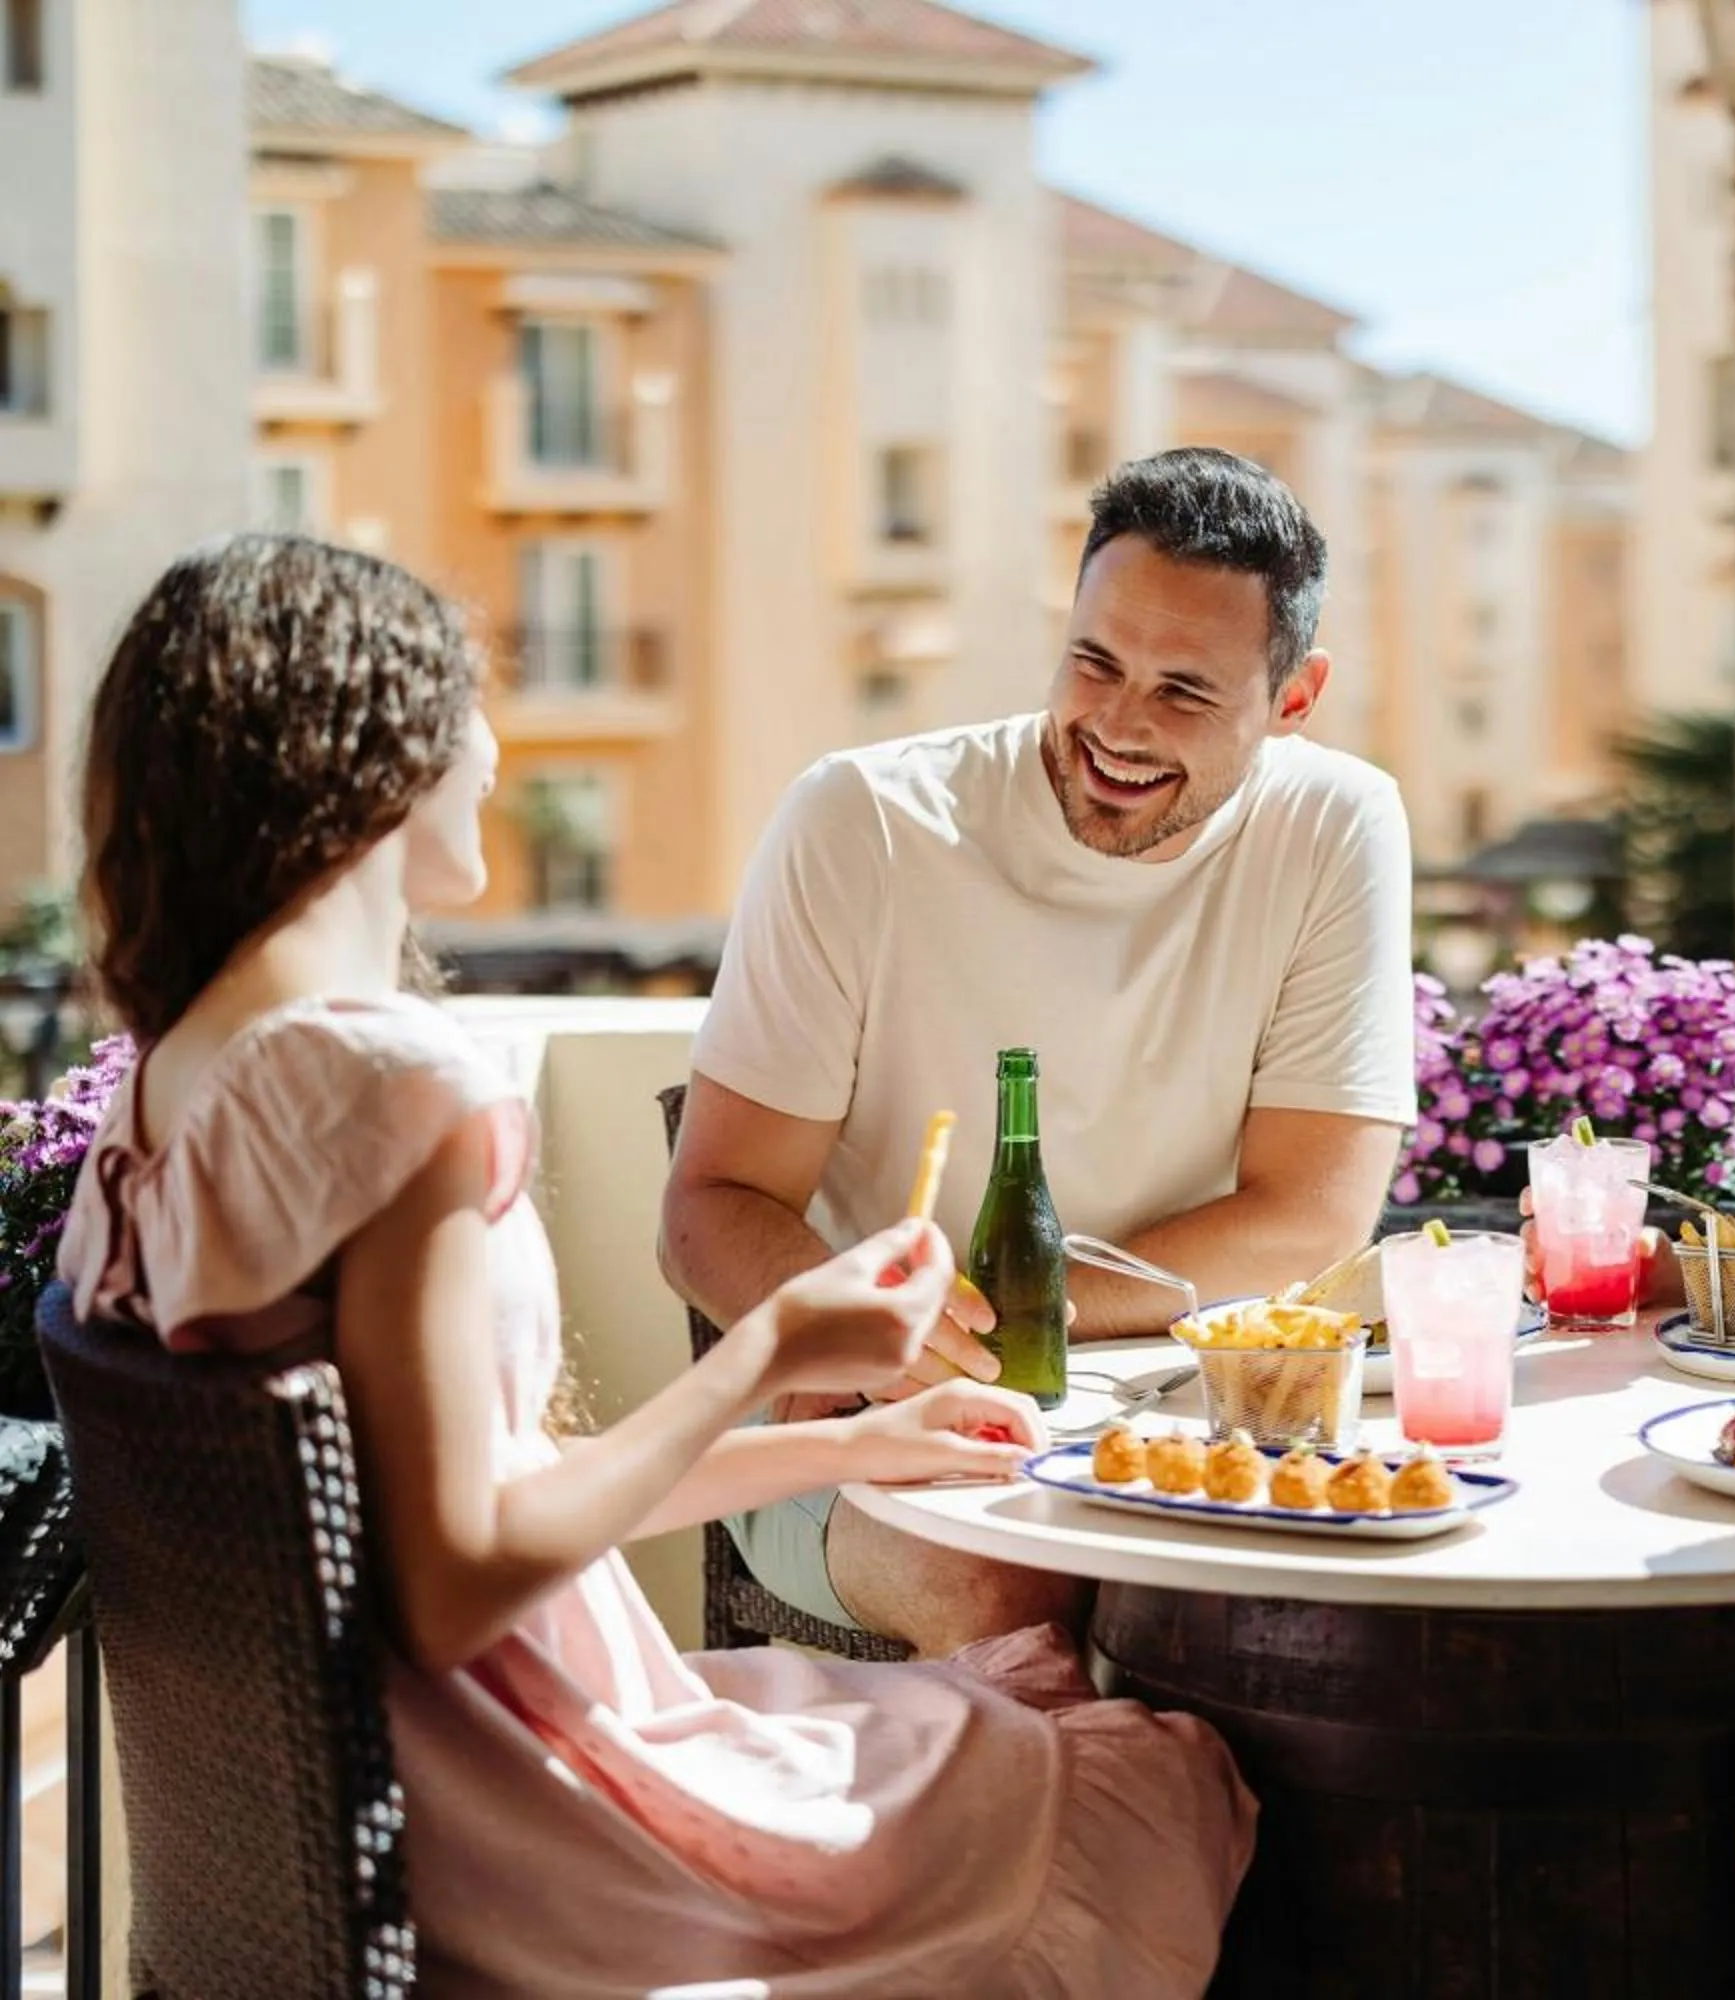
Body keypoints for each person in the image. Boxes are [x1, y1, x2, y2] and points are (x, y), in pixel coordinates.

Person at [56, 535, 1255, 1997]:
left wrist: (860, 1438)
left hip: (397, 1814)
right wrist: (771, 1351)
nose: (493, 754)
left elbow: (465, 1508)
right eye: (465, 706)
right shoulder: (391, 1089)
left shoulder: (172, 1091)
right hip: (531, 1828)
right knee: (1140, 1767)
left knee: (1000, 1717)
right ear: (364, 746)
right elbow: (459, 1583)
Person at [662, 447, 1416, 1654]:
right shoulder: (863, 818)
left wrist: (1023, 1319)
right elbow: (708, 1208)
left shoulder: (1337, 823)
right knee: (1010, 1589)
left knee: (1370, 1604)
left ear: (1293, 697)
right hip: (867, 1427)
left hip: (1184, 1415)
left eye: (1184, 692)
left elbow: (1312, 1217)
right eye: (1094, 661)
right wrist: (870, 1334)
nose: (1117, 725)